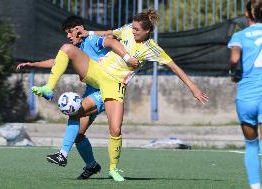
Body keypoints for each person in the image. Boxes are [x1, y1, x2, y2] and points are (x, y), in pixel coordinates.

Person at [32, 9, 209, 182]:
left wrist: (193, 87)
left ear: (147, 31)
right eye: (132, 28)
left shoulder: (152, 49)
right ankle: (49, 89)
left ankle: (112, 169)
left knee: (115, 129)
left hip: (114, 85)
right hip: (98, 70)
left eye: (137, 30)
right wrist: (90, 33)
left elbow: (174, 67)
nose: (133, 31)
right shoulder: (126, 31)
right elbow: (110, 34)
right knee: (67, 49)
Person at [17, 15, 137, 180]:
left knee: (75, 113)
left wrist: (125, 54)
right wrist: (32, 64)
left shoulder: (92, 40)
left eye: (70, 31)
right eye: (66, 32)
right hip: (91, 92)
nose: (68, 35)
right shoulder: (78, 49)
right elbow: (57, 61)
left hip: (106, 91)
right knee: (78, 134)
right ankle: (91, 165)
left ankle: (63, 154)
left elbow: (109, 40)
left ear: (79, 28)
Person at [228, 1, 262, 189]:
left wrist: (234, 72)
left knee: (251, 144)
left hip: (246, 97)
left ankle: (255, 187)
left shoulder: (239, 35)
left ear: (248, 14)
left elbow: (234, 59)